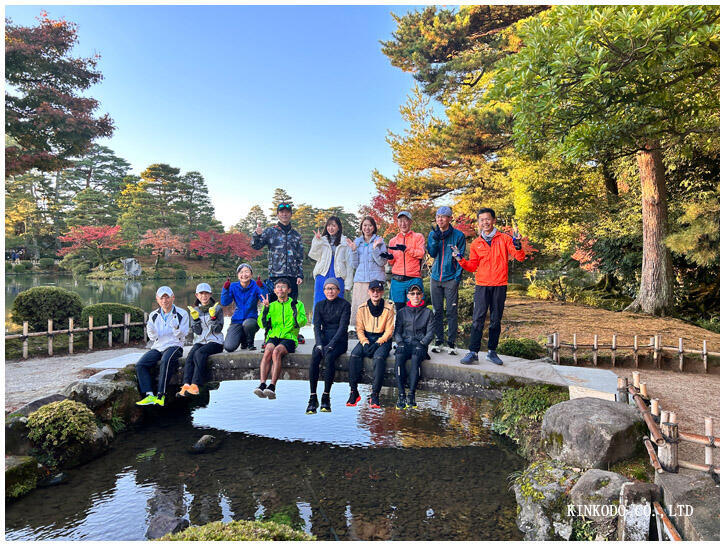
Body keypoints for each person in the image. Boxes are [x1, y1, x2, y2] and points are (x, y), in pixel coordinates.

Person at [453, 208, 525, 366]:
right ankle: (473, 352)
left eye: (487, 219)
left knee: (495, 320)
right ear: (478, 223)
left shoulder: (505, 239)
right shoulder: (476, 243)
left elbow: (520, 257)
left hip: (499, 284)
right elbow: (472, 266)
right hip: (482, 285)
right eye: (481, 220)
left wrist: (518, 244)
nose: (484, 222)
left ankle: (492, 352)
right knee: (477, 319)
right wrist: (460, 259)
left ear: (493, 220)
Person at [136, 286, 190, 406]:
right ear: (157, 299)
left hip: (175, 345)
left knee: (166, 360)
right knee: (141, 364)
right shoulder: (153, 315)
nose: (164, 301)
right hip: (158, 346)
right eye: (162, 298)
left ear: (173, 298)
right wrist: (151, 331)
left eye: (167, 297)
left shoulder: (182, 313)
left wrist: (176, 328)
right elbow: (153, 338)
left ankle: (161, 395)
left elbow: (183, 334)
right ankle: (149, 395)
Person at [254, 278, 307, 398]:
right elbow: (262, 324)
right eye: (278, 287)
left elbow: (303, 322)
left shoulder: (298, 304)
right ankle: (262, 384)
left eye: (283, 287)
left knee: (276, 351)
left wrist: (295, 314)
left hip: (290, 337)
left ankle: (272, 386)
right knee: (268, 350)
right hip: (274, 336)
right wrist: (266, 309)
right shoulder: (271, 305)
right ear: (274, 290)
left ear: (288, 290)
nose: (280, 289)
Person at [347, 280, 395, 408]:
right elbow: (359, 329)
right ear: (368, 292)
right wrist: (365, 342)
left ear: (382, 292)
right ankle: (353, 391)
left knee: (379, 358)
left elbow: (389, 331)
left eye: (378, 291)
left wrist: (378, 343)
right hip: (367, 337)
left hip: (382, 339)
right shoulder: (362, 308)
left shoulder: (389, 308)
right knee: (354, 355)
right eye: (373, 290)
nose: (375, 293)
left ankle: (375, 394)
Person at [306, 278, 351, 414]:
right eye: (327, 289)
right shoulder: (319, 305)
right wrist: (319, 344)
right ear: (324, 290)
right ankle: (312, 396)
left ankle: (326, 396)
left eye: (333, 288)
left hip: (339, 340)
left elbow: (343, 327)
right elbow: (317, 327)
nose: (330, 291)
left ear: (338, 290)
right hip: (324, 338)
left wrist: (331, 345)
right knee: (315, 356)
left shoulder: (345, 305)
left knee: (330, 357)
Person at [427, 206, 467, 355]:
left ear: (450, 218)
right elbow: (432, 253)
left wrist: (457, 278)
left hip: (451, 278)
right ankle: (438, 341)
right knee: (436, 311)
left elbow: (461, 258)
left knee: (451, 311)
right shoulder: (433, 234)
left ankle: (451, 342)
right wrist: (436, 240)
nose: (440, 219)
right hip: (435, 277)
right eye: (438, 216)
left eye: (443, 216)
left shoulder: (458, 235)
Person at [178, 283, 224, 397]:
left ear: (210, 294)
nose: (204, 296)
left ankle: (195, 384)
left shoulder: (217, 308)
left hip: (215, 341)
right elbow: (197, 332)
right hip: (200, 341)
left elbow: (219, 328)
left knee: (200, 353)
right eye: (201, 294)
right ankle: (186, 385)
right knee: (190, 357)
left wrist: (213, 317)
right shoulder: (195, 310)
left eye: (206, 293)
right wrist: (195, 319)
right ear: (197, 295)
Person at [252, 202, 304, 301]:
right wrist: (257, 235)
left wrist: (300, 274)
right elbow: (256, 246)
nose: (284, 214)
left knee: (292, 307)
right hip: (275, 276)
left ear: (291, 214)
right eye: (282, 212)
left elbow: (299, 256)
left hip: (292, 277)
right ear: (278, 214)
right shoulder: (270, 232)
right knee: (273, 307)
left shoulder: (296, 235)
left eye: (287, 212)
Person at [392, 284, 434, 409]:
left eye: (418, 293)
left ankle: (411, 394)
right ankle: (401, 394)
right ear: (408, 296)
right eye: (412, 294)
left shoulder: (428, 312)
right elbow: (397, 331)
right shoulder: (402, 312)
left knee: (416, 360)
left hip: (419, 344)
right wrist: (399, 342)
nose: (415, 296)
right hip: (405, 342)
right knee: (399, 358)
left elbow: (431, 332)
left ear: (421, 295)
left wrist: (422, 344)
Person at [347, 216, 388, 326]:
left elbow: (382, 262)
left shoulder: (380, 242)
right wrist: (354, 251)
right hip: (360, 280)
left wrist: (375, 249)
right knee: (359, 306)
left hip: (375, 280)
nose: (367, 228)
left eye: (370, 225)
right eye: (365, 225)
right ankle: (357, 329)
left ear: (374, 227)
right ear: (361, 227)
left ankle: (375, 328)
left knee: (374, 306)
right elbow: (354, 265)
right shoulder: (357, 242)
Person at [383, 210, 426, 311]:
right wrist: (390, 258)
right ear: (397, 223)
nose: (403, 224)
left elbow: (421, 253)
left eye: (405, 221)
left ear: (410, 222)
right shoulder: (393, 241)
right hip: (397, 280)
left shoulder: (418, 237)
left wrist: (406, 249)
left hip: (413, 278)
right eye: (400, 221)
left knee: (417, 309)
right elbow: (392, 262)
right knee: (398, 310)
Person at [308, 216, 354, 308]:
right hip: (322, 273)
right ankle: (317, 322)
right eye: (329, 225)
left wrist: (348, 284)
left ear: (339, 227)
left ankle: (336, 322)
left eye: (333, 225)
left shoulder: (345, 242)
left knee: (337, 303)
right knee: (319, 301)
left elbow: (349, 263)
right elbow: (314, 255)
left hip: (338, 274)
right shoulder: (322, 239)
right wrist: (317, 241)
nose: (331, 228)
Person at [221, 263, 263, 351]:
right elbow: (225, 302)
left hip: (251, 319)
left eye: (246, 272)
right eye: (241, 272)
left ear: (251, 274)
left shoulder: (255, 285)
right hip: (237, 320)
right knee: (229, 347)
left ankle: (250, 342)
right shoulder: (233, 286)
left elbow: (265, 299)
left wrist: (262, 287)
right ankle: (243, 340)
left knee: (248, 324)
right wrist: (225, 289)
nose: (244, 275)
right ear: (238, 275)